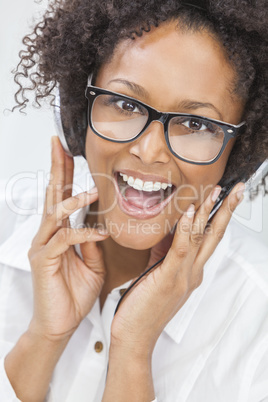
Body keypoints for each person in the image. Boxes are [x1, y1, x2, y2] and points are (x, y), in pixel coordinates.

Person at [0, 0, 268, 401]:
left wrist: (132, 349)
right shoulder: (7, 225)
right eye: (125, 104)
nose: (149, 150)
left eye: (196, 124)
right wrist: (44, 336)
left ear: (239, 154)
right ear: (78, 112)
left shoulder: (258, 316)